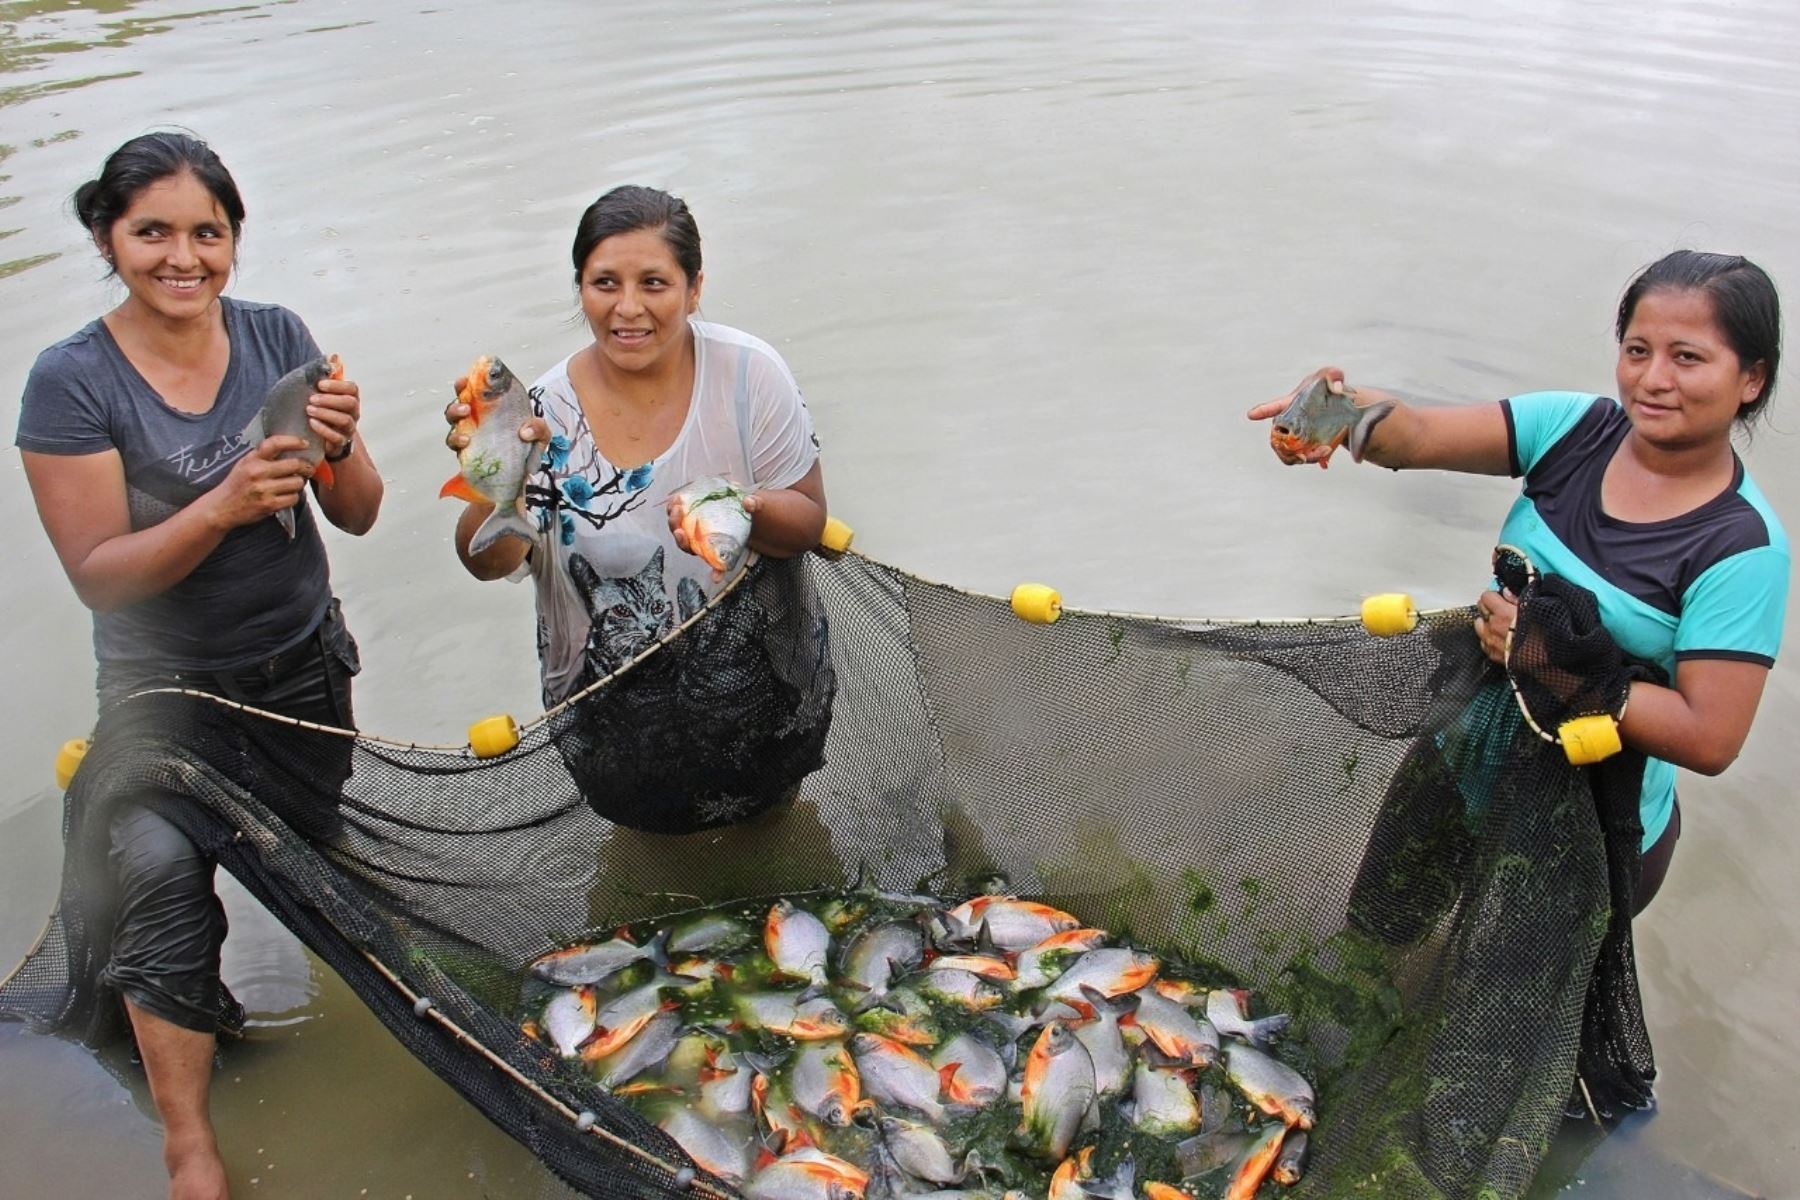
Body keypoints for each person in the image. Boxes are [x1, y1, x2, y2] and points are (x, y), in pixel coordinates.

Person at [15, 132, 382, 1200]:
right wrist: (224, 505)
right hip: (160, 702)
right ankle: (189, 1141)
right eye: (154, 233)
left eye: (207, 232)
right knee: (162, 886)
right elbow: (98, 576)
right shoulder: (72, 382)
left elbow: (356, 515)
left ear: (234, 238)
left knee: (315, 867)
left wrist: (344, 443)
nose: (185, 257)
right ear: (106, 238)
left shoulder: (279, 339)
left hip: (304, 677)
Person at [1249, 249, 1788, 915]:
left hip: (1585, 834)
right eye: (1638, 349)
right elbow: (1414, 437)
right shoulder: (1572, 430)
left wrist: (1543, 653)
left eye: (1688, 358)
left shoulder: (1741, 548)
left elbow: (1710, 738)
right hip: (1459, 760)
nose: (1652, 379)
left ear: (1751, 378)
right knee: (1371, 940)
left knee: (1510, 1013)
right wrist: (1333, 413)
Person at [444, 185, 836, 899]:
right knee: (652, 880)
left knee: (785, 864)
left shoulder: (750, 376)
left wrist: (741, 504)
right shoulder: (541, 413)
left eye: (654, 283)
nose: (628, 308)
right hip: (614, 722)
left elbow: (807, 522)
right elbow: (488, 559)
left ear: (693, 288)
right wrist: (495, 479)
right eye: (605, 284)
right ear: (581, 290)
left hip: (762, 700)